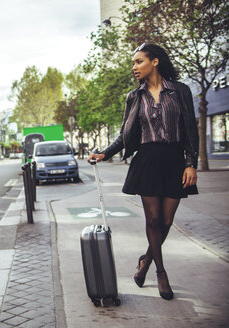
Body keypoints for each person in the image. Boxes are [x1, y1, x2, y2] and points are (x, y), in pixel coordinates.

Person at [88, 43, 199, 301]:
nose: (134, 67)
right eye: (133, 63)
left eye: (139, 61)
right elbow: (125, 134)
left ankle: (146, 260)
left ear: (155, 61)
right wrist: (104, 153)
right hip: (147, 160)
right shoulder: (134, 97)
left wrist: (191, 162)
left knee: (167, 222)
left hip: (174, 161)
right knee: (153, 220)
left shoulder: (180, 91)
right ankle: (161, 272)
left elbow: (190, 130)